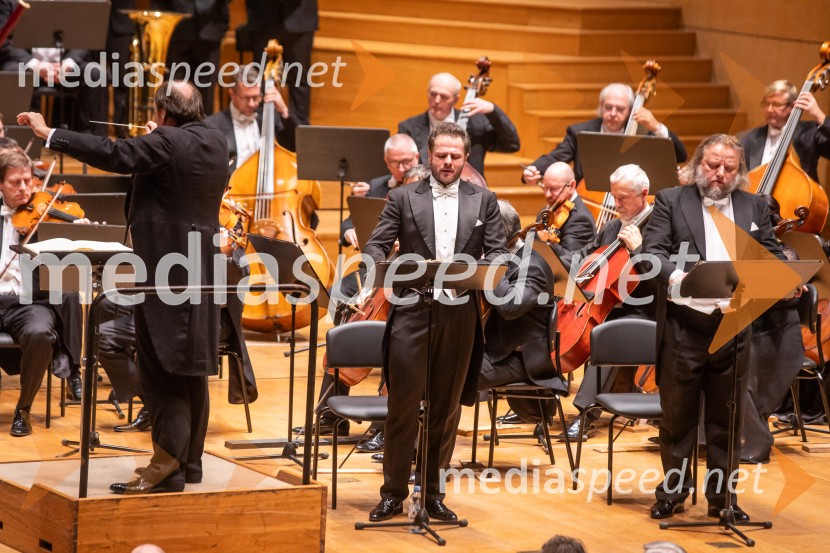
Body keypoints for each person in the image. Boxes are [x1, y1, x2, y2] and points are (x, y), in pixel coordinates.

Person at [18, 80, 228, 493]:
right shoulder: (216, 140)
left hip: (167, 275)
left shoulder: (166, 142)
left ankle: (166, 464)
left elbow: (114, 153)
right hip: (204, 272)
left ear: (165, 113)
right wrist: (158, 141)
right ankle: (188, 465)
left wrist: (49, 134)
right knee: (192, 369)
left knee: (163, 367)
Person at [362, 121, 507, 522]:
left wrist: (487, 271)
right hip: (412, 311)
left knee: (445, 410)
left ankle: (432, 494)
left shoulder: (484, 200)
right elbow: (376, 243)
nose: (447, 162)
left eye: (455, 156)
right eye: (441, 155)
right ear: (429, 155)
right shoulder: (403, 196)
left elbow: (497, 254)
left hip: (459, 315)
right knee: (403, 406)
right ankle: (392, 493)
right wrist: (380, 265)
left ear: (465, 158)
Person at [641, 134, 785, 521]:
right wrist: (678, 280)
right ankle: (672, 493)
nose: (719, 174)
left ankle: (723, 500)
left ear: (739, 172)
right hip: (684, 327)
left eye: (729, 167)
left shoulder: (754, 205)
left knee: (727, 419)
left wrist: (787, 272)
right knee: (677, 418)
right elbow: (651, 253)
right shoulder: (671, 200)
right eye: (712, 165)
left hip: (733, 329)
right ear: (697, 164)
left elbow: (770, 252)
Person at [546, 164, 653, 441]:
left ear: (644, 194)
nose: (616, 204)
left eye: (623, 198)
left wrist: (638, 249)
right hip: (603, 303)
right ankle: (541, 406)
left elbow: (658, 274)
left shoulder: (656, 227)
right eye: (614, 197)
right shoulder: (613, 226)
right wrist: (560, 266)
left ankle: (585, 415)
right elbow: (586, 254)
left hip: (641, 308)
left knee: (611, 336)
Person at [0, 150, 81, 436]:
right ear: (1, 184)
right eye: (15, 182)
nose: (24, 188)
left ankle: (23, 409)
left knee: (39, 333)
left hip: (29, 303)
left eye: (28, 181)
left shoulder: (46, 220)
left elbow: (71, 267)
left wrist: (78, 231)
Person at [522, 83, 687, 185]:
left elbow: (679, 155)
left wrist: (657, 127)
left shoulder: (643, 134)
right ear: (601, 106)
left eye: (620, 109)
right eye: (608, 107)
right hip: (588, 202)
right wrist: (535, 169)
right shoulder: (580, 132)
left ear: (630, 110)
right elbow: (556, 157)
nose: (613, 113)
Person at [740, 195, 803, 464]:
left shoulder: (787, 254)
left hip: (779, 336)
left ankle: (758, 442)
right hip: (748, 329)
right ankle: (712, 436)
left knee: (741, 382)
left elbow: (788, 294)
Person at [397, 72, 520, 176]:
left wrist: (493, 110)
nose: (437, 101)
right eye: (433, 94)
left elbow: (512, 145)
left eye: (444, 97)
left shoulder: (477, 124)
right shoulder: (408, 128)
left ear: (456, 99)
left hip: (471, 198)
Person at [205, 63, 298, 173]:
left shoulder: (269, 116)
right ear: (232, 94)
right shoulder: (212, 126)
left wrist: (283, 110)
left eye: (256, 97)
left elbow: (294, 145)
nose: (252, 104)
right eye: (246, 98)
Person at [244, 0, 318, 125]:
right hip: (263, 13)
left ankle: (299, 131)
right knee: (262, 78)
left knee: (299, 78)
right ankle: (262, 130)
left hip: (300, 16)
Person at [740, 79, 830, 182]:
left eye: (776, 104)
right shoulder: (749, 138)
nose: (769, 109)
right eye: (767, 104)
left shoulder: (809, 132)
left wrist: (819, 115)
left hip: (799, 197)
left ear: (792, 106)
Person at [151, 1, 230, 114]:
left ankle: (202, 130)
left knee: (206, 91)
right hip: (176, 23)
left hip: (211, 24)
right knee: (173, 90)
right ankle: (173, 131)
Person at [536, 162, 596, 251]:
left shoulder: (581, 219)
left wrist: (547, 241)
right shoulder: (546, 210)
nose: (547, 194)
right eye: (545, 188)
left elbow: (570, 260)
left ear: (571, 186)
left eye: (554, 188)